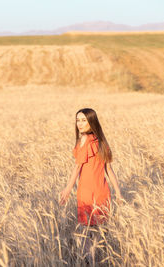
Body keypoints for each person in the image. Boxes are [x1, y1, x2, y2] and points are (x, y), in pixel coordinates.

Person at [59, 108, 124, 263]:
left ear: (91, 122)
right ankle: (96, 261)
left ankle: (89, 262)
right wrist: (118, 193)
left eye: (83, 120)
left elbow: (77, 168)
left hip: (87, 192)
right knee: (96, 232)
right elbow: (109, 170)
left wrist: (67, 189)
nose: (80, 124)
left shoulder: (85, 141)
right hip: (103, 191)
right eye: (78, 120)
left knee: (85, 231)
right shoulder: (101, 141)